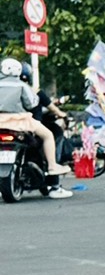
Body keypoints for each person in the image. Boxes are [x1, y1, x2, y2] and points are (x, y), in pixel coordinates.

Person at [0, 59, 63, 188]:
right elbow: (31, 103)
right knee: (48, 135)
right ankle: (52, 166)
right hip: (19, 121)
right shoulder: (23, 86)